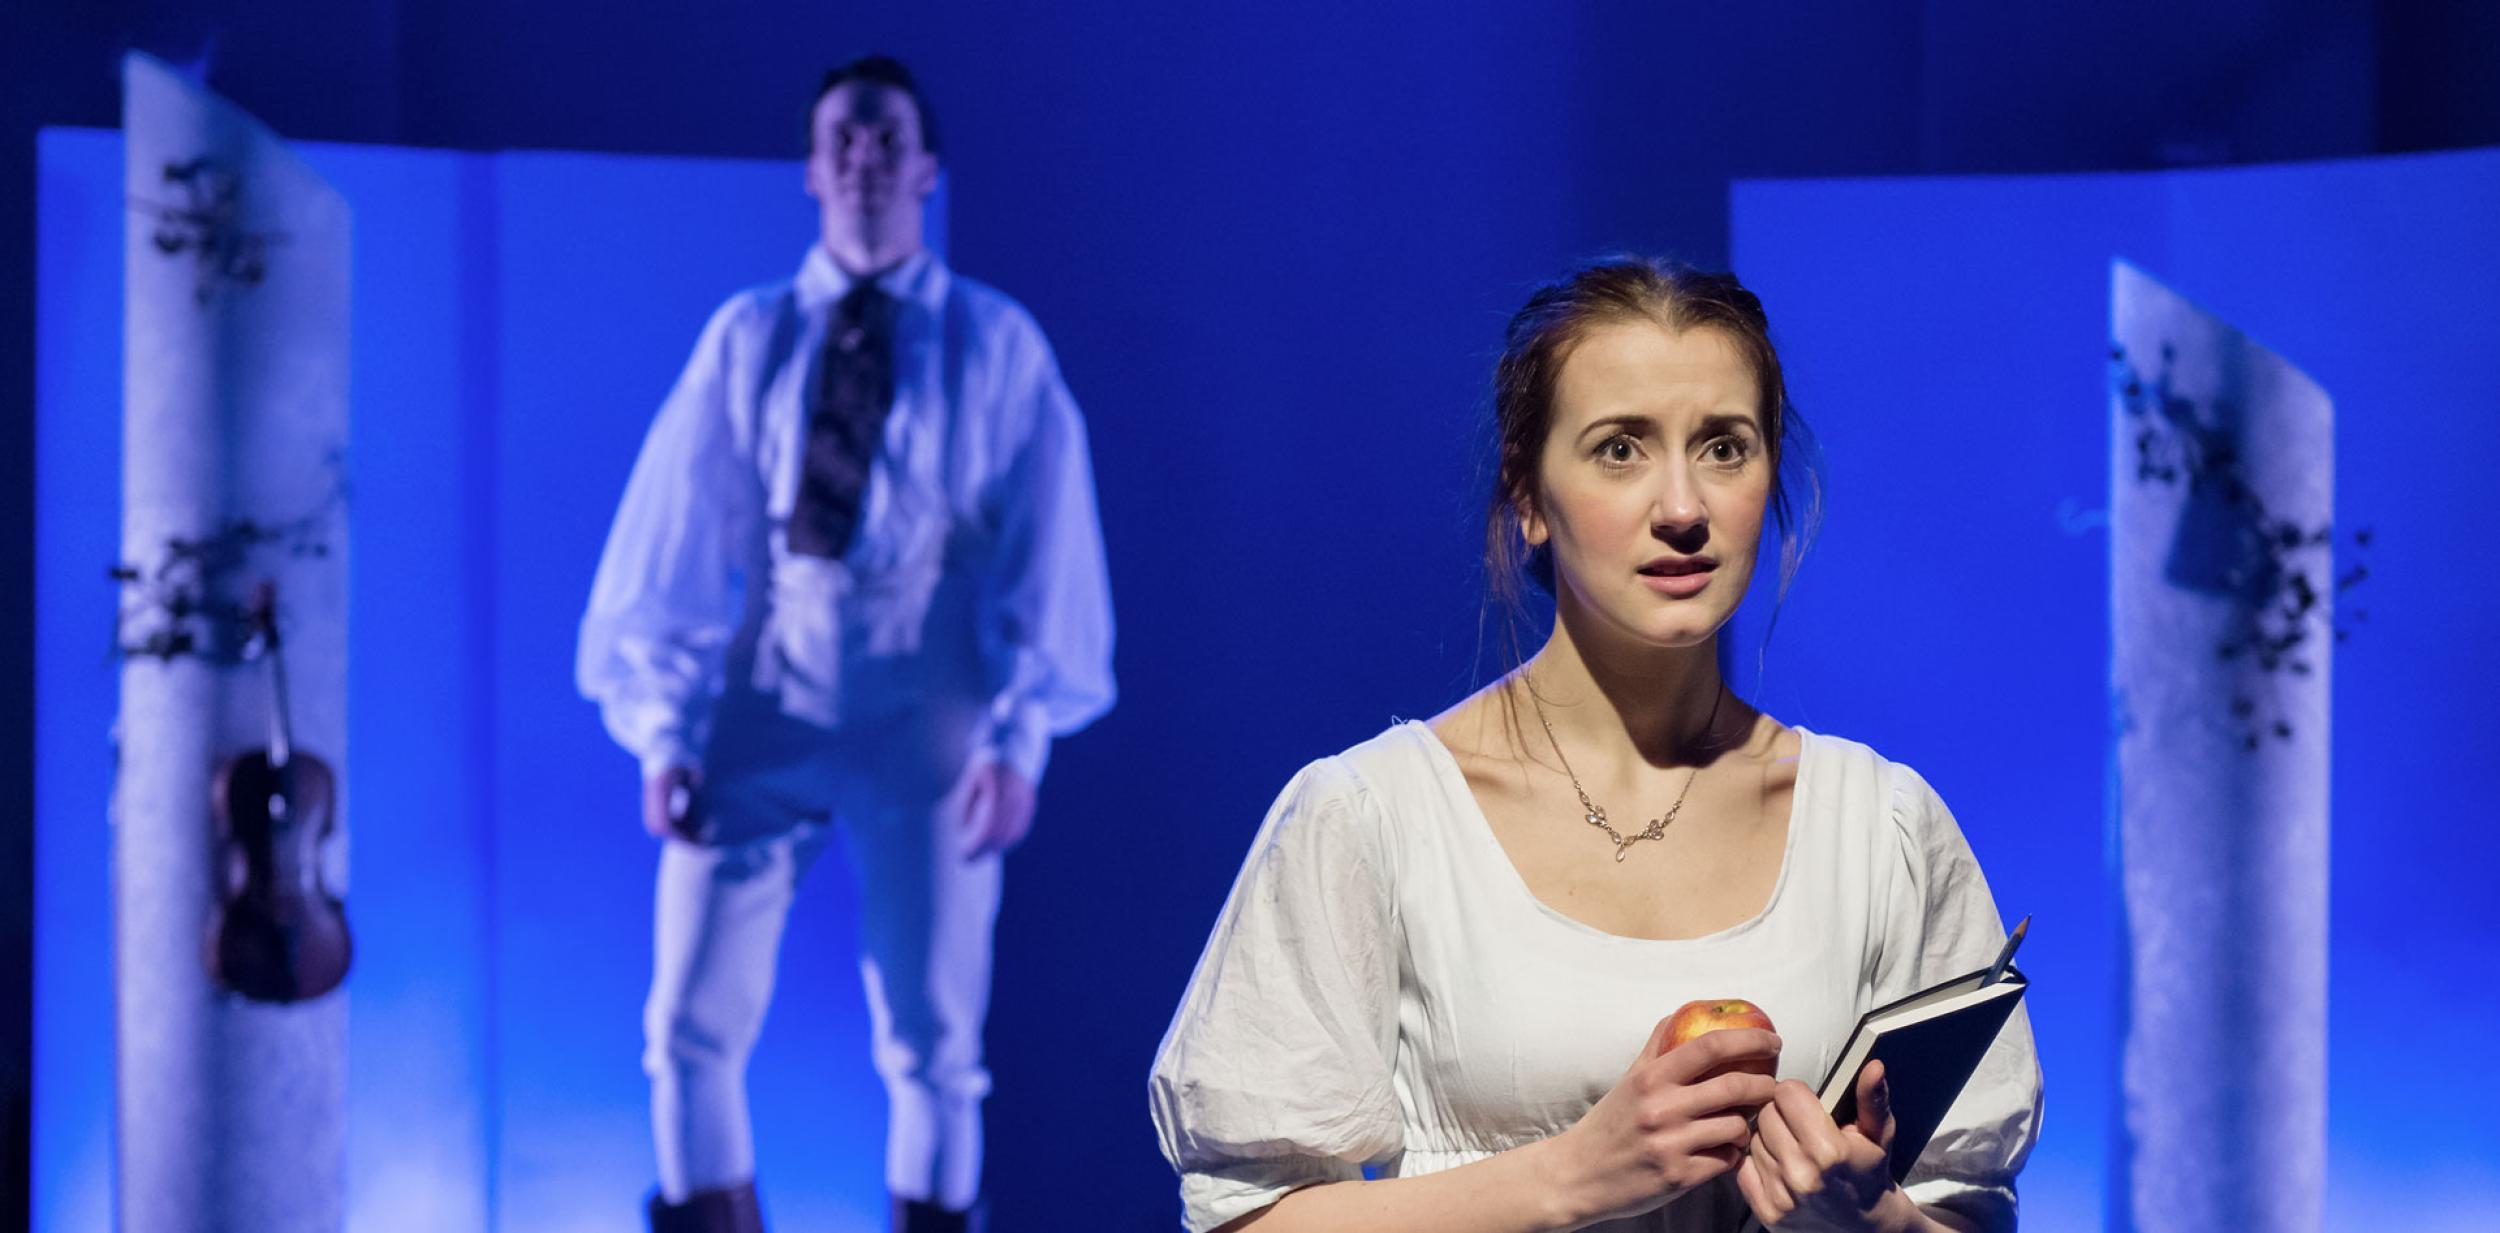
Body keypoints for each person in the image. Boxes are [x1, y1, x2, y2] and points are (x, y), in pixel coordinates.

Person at [1147, 258, 2040, 1232]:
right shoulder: (1373, 819)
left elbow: (1968, 1208)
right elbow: (1245, 1218)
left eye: (1724, 447)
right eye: (1619, 449)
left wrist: (1869, 1222)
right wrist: (1569, 1176)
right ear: (1528, 494)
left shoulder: (1880, 830)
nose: (1682, 506)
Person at [578, 54, 1116, 1233]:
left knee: (932, 1042)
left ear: (925, 168)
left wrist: (1021, 740)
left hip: (926, 698)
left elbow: (1052, 550)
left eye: (888, 142)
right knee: (684, 1027)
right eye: (844, 142)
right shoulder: (751, 337)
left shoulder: (995, 343)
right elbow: (672, 533)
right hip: (772, 681)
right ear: (814, 171)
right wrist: (663, 729)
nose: (866, 162)